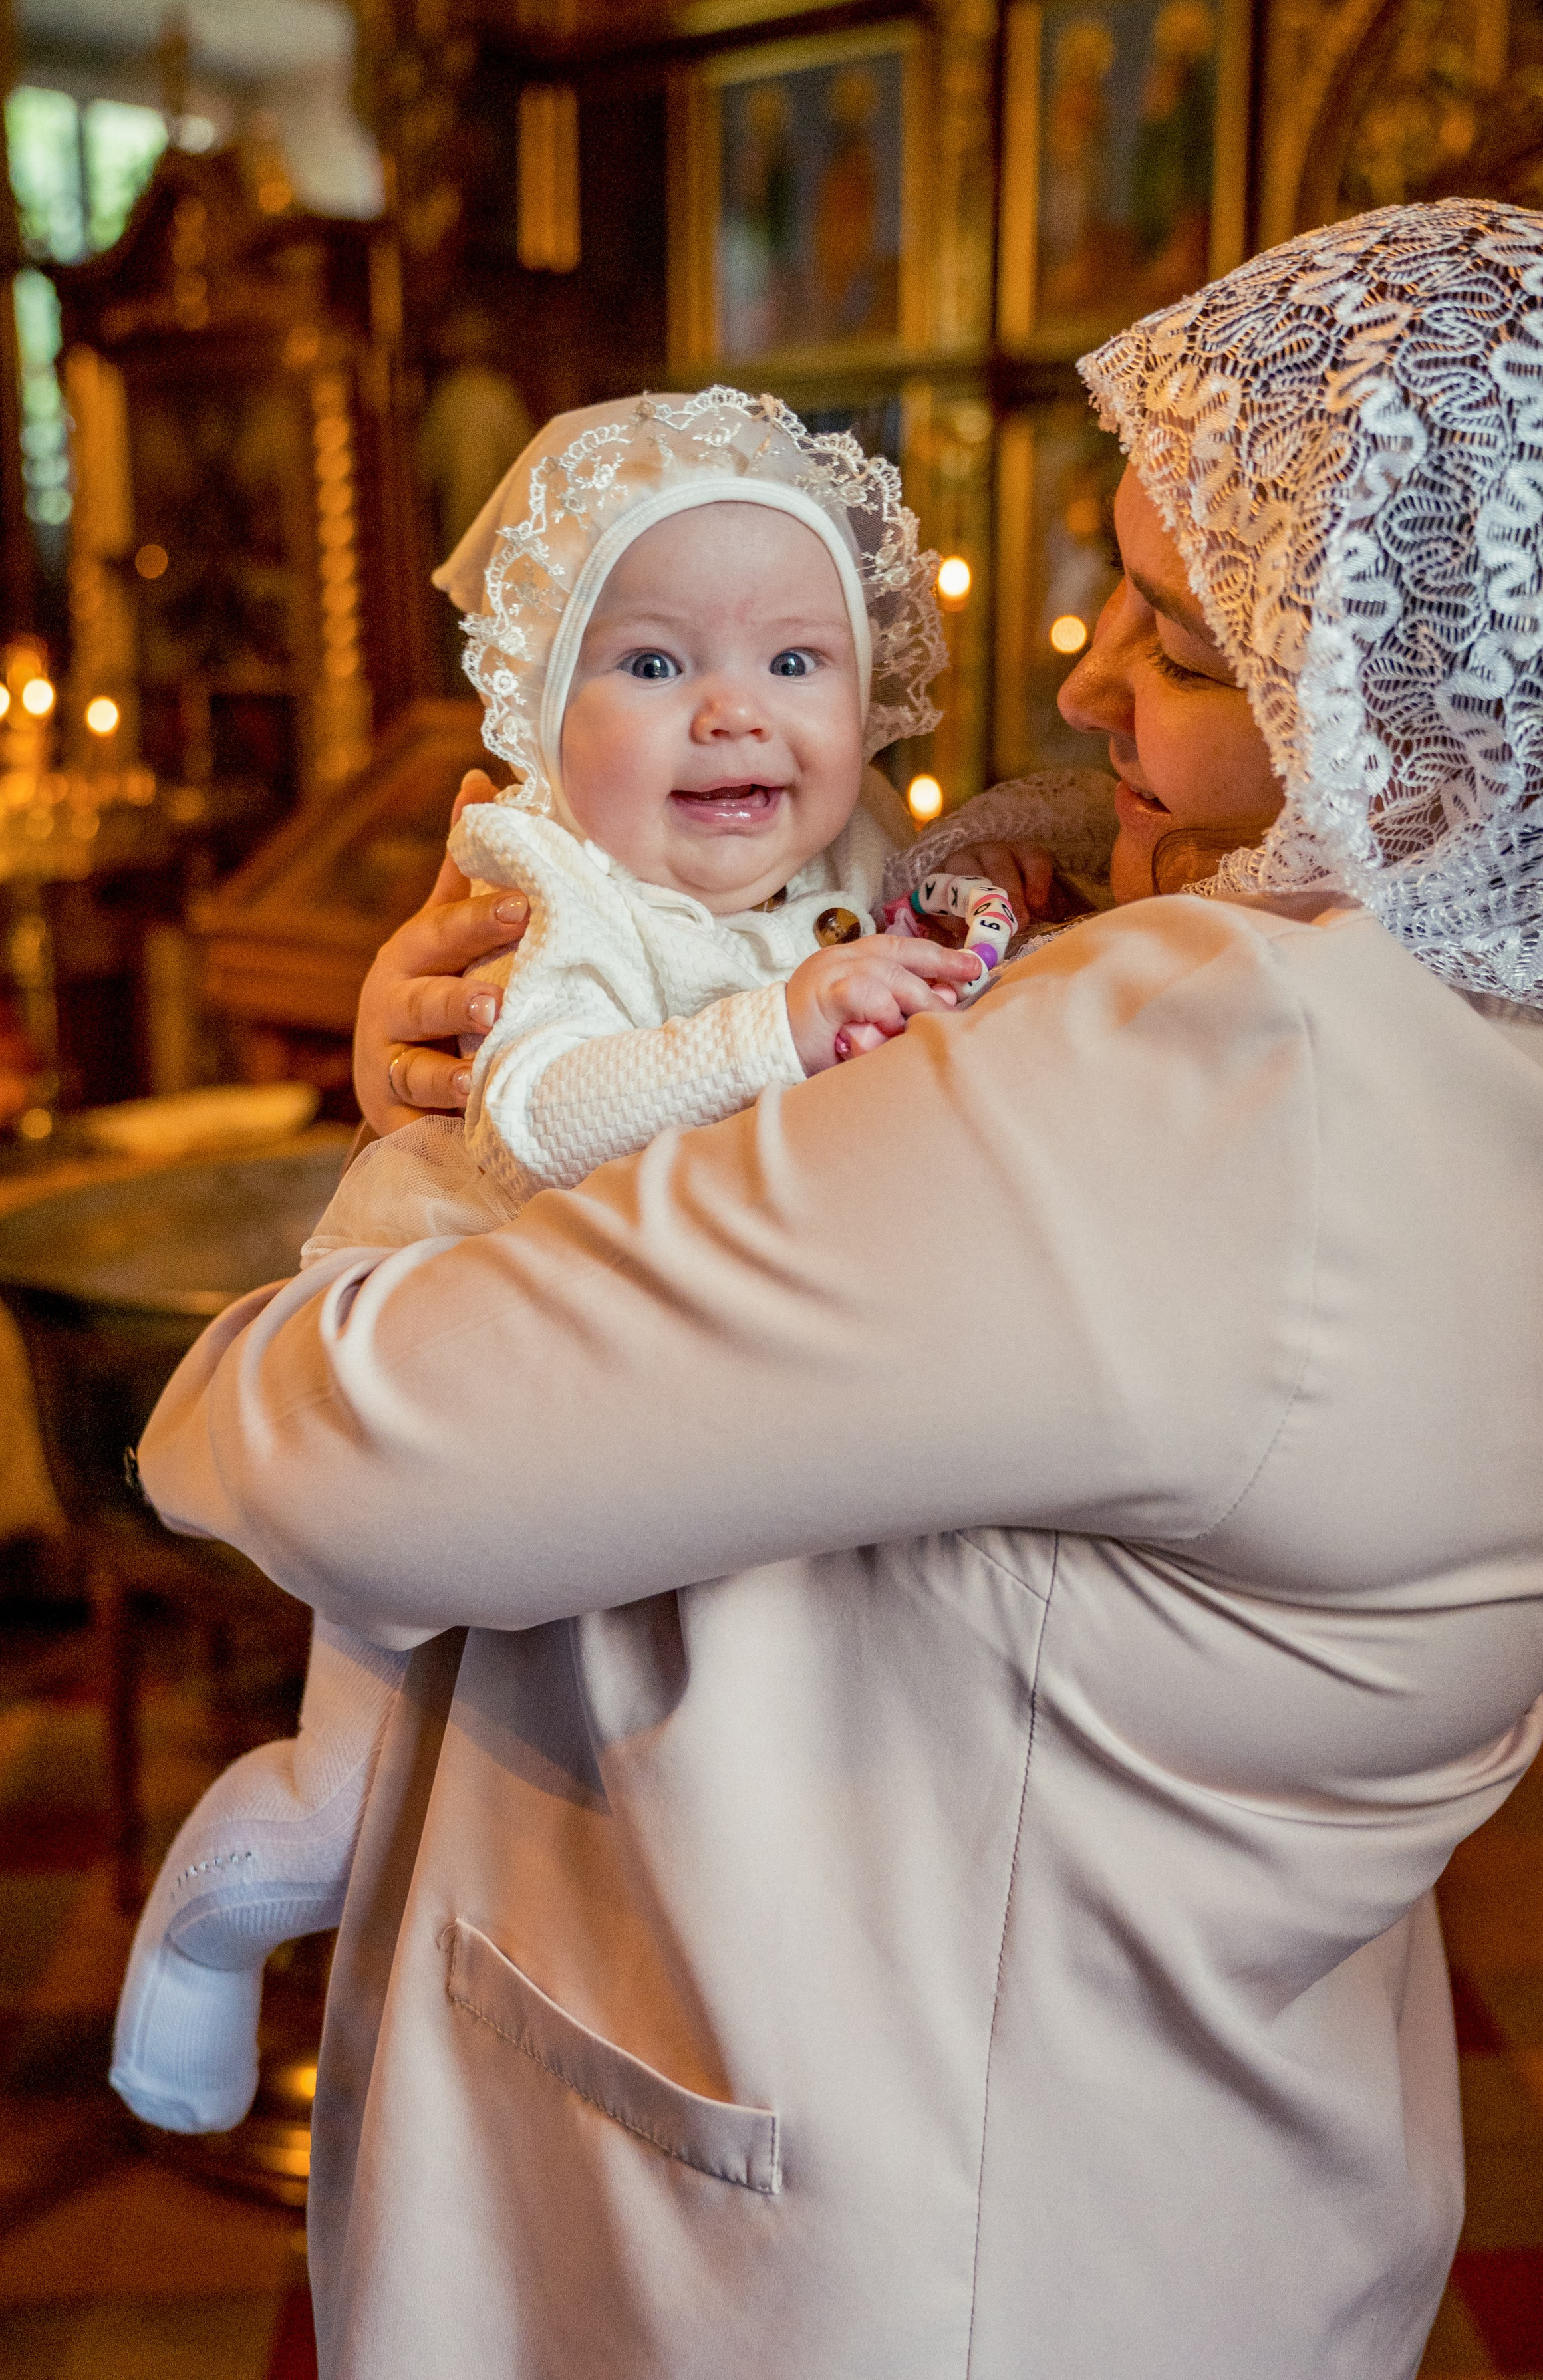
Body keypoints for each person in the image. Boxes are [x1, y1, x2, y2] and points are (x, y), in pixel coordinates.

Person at [135, 202, 1543, 2379]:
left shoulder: (1225, 1070)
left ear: (1394, 705)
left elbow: (338, 1445)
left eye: (1170, 634)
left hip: (916, 2258)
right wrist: (583, 979)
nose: (1079, 679)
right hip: (1223, 2179)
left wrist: (429, 1165)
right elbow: (1026, 974)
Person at [110, 388, 1105, 2139]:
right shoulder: (542, 876)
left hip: (656, 1393)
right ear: (539, 707)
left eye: (799, 663)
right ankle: (201, 1938)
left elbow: (932, 910)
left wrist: (997, 880)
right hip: (453, 1334)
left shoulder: (848, 840)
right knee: (353, 1804)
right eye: (651, 666)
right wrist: (783, 1029)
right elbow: (557, 1115)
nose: (736, 711)